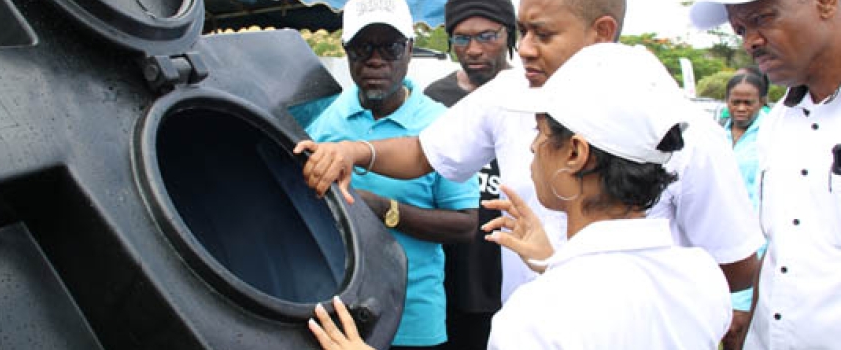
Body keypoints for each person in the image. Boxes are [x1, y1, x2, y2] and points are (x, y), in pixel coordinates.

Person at [295, 0, 762, 302]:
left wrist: (643, 312)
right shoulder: (510, 92)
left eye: (544, 34)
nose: (527, 50)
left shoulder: (683, 130)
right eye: (522, 32)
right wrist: (354, 151)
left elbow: (737, 267)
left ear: (601, 32)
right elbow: (424, 152)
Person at [307, 43, 733, 350]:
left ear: (575, 153)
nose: (531, 147)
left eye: (541, 132)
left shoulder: (538, 313)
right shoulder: (702, 277)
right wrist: (552, 264)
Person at [305, 0, 480, 348]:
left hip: (413, 324)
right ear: (346, 50)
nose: (375, 59)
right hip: (334, 321)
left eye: (390, 46)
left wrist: (382, 210)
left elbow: (465, 224)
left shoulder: (441, 125)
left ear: (411, 49)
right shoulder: (321, 122)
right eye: (363, 47)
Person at [691, 0, 841, 348]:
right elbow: (779, 252)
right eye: (740, 29)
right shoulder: (776, 126)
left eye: (762, 18)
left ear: (827, 3)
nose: (750, 42)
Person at [422, 0, 516, 349]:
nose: (474, 50)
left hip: (511, 272)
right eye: (461, 39)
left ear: (510, 34)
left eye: (487, 36)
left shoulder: (531, 96)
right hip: (449, 277)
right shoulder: (436, 99)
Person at [719, 72, 769, 350]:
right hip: (718, 242)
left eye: (748, 103)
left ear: (762, 102)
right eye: (735, 102)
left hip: (753, 246)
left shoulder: (770, 135)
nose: (740, 108)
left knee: (737, 328)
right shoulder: (718, 133)